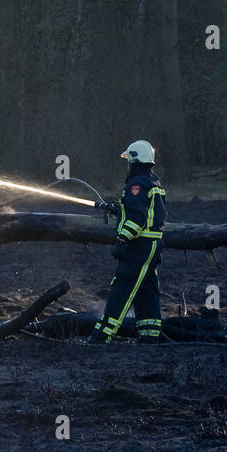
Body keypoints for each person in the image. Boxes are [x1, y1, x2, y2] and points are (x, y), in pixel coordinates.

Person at [88, 139, 167, 345]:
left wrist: (123, 238)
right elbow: (143, 211)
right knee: (147, 287)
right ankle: (150, 334)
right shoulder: (153, 181)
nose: (128, 165)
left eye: (129, 161)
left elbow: (138, 218)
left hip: (139, 245)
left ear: (134, 160)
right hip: (151, 245)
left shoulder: (138, 184)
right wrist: (118, 209)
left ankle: (103, 334)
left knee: (123, 285)